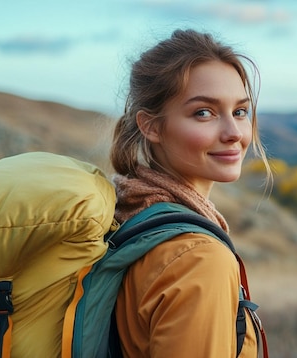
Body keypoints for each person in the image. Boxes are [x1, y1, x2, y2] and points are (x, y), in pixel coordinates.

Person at [109, 29, 271, 357]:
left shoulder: (128, 214)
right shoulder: (197, 259)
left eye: (240, 111)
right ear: (150, 126)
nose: (234, 133)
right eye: (203, 113)